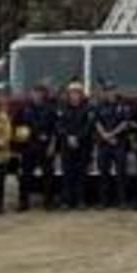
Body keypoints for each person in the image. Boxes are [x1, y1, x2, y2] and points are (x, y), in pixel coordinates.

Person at [14, 84, 57, 211]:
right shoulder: (24, 110)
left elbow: (55, 130)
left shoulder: (50, 110)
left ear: (43, 95)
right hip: (28, 147)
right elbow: (15, 126)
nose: (37, 95)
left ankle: (48, 202)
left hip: (45, 147)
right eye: (35, 92)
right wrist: (20, 142)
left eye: (39, 93)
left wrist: (52, 145)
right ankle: (23, 203)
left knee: (48, 176)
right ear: (31, 94)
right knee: (25, 176)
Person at [57, 81, 94, 210]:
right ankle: (66, 201)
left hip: (83, 146)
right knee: (67, 174)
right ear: (68, 94)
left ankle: (80, 201)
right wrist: (68, 137)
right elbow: (59, 125)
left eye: (77, 92)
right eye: (72, 93)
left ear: (81, 94)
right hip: (66, 146)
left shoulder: (88, 109)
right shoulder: (62, 108)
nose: (74, 95)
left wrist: (77, 137)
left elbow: (88, 127)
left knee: (81, 174)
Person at [93, 84, 129, 209]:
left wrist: (112, 134)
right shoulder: (100, 106)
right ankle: (104, 202)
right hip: (104, 144)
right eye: (107, 91)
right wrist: (105, 135)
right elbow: (97, 122)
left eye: (112, 90)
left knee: (121, 174)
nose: (109, 93)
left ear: (115, 91)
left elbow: (125, 123)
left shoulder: (123, 106)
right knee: (103, 174)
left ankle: (122, 201)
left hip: (119, 143)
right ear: (104, 92)